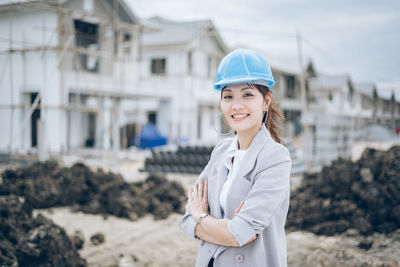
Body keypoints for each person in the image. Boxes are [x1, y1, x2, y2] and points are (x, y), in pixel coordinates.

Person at [181, 48, 292, 267]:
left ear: (266, 101)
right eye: (228, 96)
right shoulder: (221, 152)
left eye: (248, 94)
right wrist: (225, 229)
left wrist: (201, 216)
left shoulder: (275, 158)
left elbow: (242, 232)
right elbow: (186, 220)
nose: (236, 105)